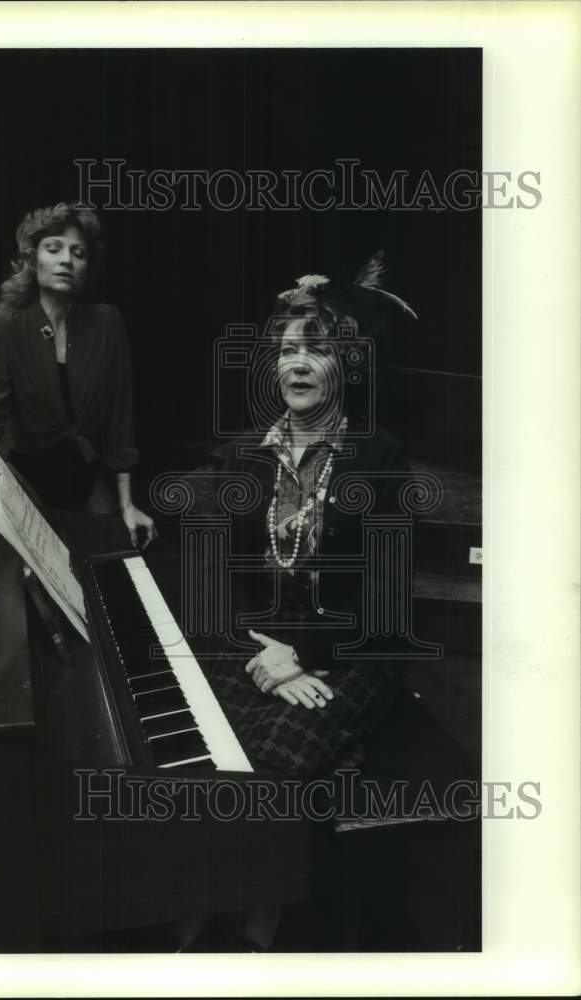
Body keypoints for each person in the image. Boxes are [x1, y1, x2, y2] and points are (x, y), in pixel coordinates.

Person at [195, 254, 418, 949]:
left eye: (314, 352)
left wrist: (305, 654)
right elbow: (218, 580)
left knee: (274, 757)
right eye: (286, 352)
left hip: (356, 652)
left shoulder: (380, 457)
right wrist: (267, 651)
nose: (295, 364)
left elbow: (386, 598)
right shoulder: (243, 456)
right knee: (209, 746)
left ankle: (250, 916)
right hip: (258, 645)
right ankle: (205, 892)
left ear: (344, 365)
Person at [0, 201, 155, 548]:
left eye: (78, 253)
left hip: (87, 483)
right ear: (32, 258)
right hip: (26, 483)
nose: (66, 259)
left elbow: (119, 421)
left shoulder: (107, 323)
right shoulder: (1, 327)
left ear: (86, 268)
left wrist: (127, 504)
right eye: (53, 248)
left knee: (107, 565)